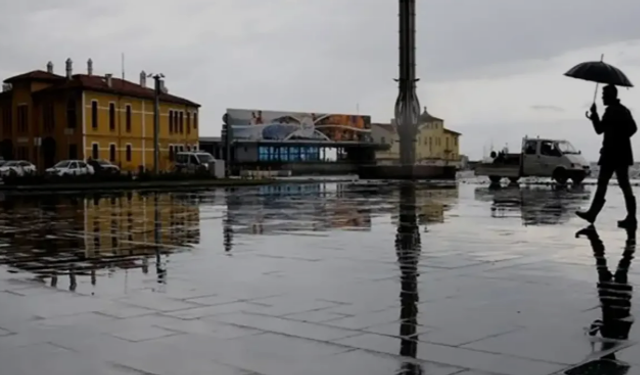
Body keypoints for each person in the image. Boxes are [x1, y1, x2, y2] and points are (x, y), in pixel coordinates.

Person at [577, 84, 637, 228]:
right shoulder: (623, 111)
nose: (603, 98)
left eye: (604, 95)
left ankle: (593, 213)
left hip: (611, 154)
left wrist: (595, 116)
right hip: (621, 154)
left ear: (611, 96)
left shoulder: (611, 111)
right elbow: (633, 128)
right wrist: (622, 139)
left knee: (603, 183)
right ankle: (631, 217)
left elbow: (599, 130)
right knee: (624, 184)